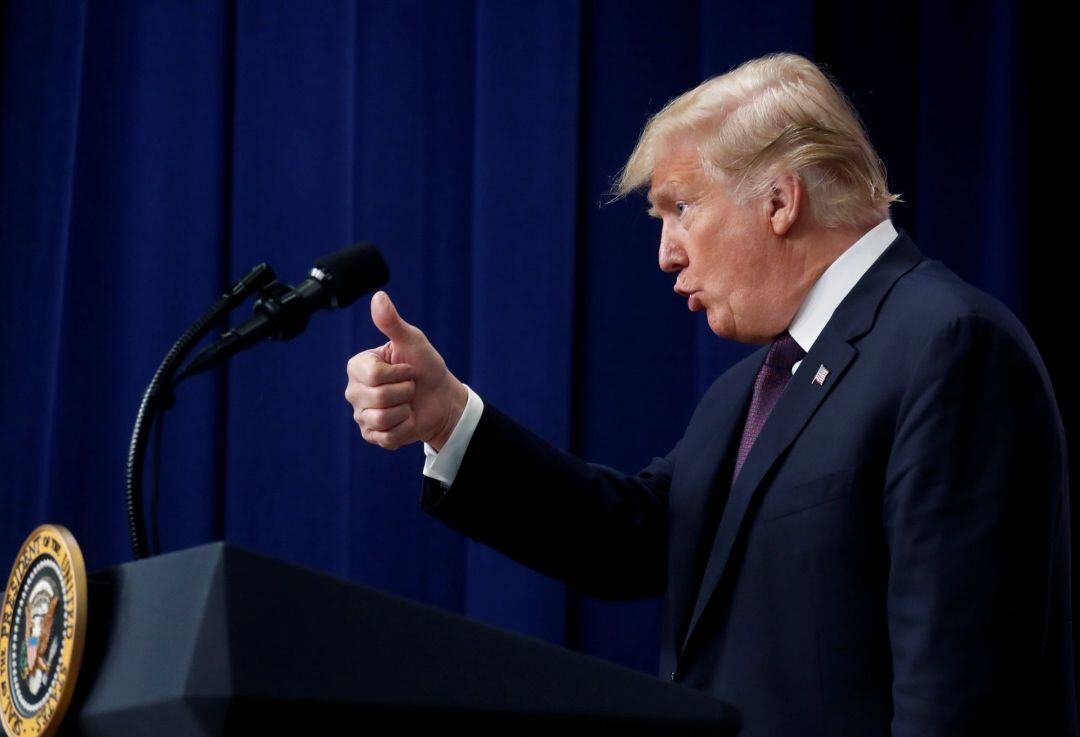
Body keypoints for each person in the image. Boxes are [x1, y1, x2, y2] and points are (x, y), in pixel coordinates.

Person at [343, 53, 1075, 736]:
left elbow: (958, 697)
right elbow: (627, 539)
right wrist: (448, 417)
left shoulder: (947, 347)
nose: (665, 252)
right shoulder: (747, 392)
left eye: (680, 207)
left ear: (781, 200)